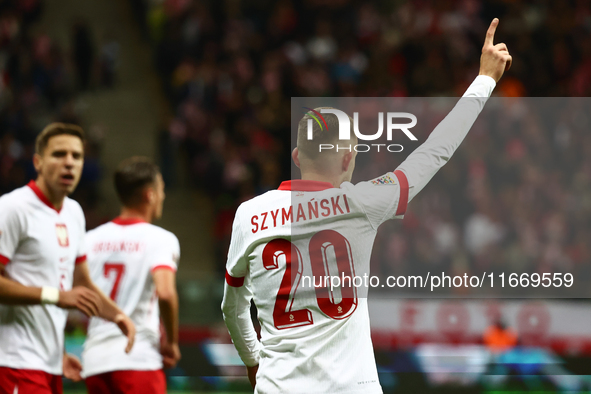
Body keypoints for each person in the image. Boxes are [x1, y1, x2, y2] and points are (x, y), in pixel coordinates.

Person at [222, 18, 512, 393]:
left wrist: (253, 361)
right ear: (347, 159)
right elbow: (436, 150)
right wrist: (485, 79)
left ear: (297, 155)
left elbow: (232, 308)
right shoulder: (363, 202)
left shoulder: (249, 214)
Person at [0, 123, 136, 394]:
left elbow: (81, 282)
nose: (69, 163)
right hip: (13, 363)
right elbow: (63, 294)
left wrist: (119, 316)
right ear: (38, 162)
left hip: (49, 366)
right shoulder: (12, 208)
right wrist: (57, 296)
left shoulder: (74, 212)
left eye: (76, 156)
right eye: (59, 154)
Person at [82, 157, 181, 394]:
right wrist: (172, 343)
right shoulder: (160, 239)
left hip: (95, 361)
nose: (163, 197)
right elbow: (166, 293)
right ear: (150, 194)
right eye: (162, 190)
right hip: (137, 358)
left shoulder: (89, 240)